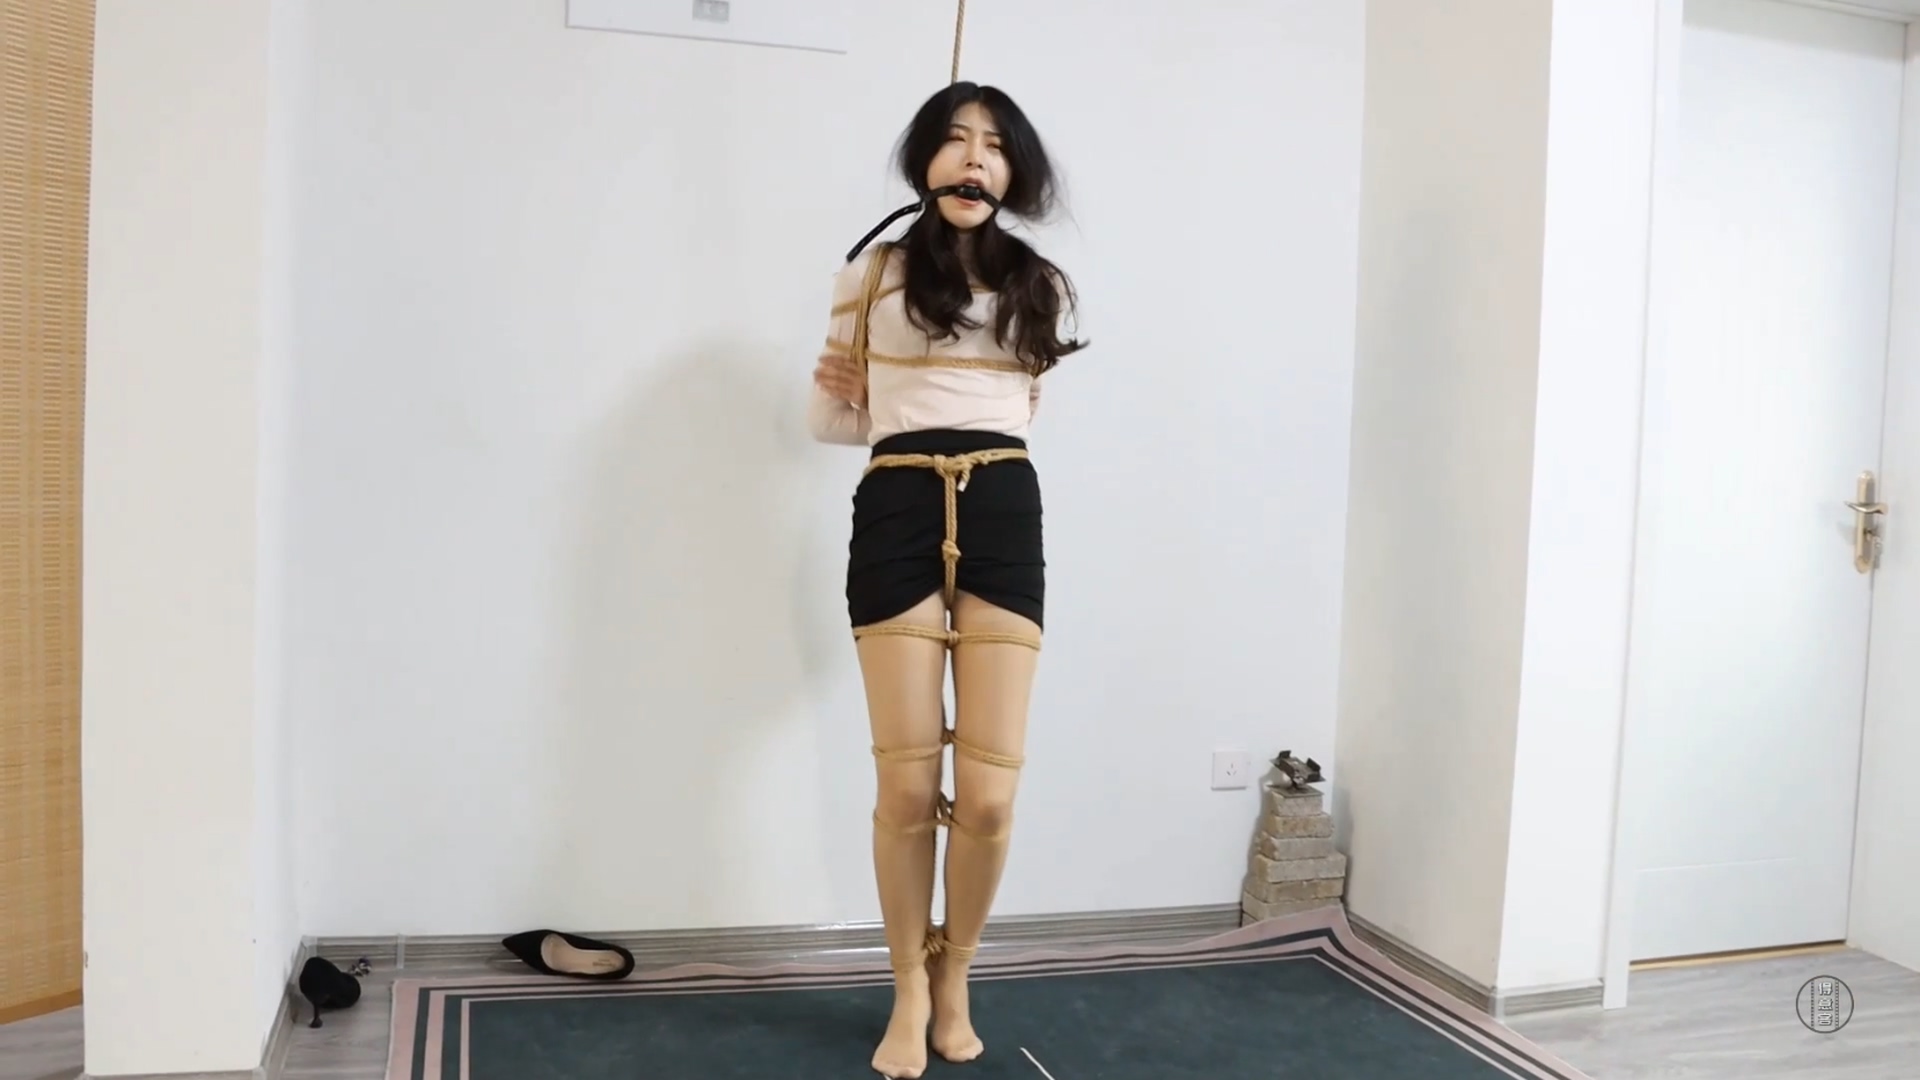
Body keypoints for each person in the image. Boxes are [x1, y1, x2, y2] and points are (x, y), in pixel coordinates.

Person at [808, 81, 1085, 1079]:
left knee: (991, 798)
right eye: (958, 140)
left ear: (1014, 172)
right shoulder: (872, 274)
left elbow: (1018, 409)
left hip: (1003, 505)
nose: (975, 159)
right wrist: (856, 390)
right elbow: (834, 424)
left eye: (996, 146)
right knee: (907, 783)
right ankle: (908, 987)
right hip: (896, 505)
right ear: (924, 159)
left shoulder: (1038, 283)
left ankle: (955, 971)